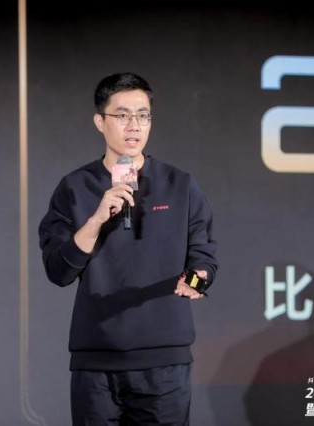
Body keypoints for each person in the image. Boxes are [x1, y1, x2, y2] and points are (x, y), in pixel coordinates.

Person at [38, 72, 218, 425]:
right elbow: (58, 270)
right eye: (122, 115)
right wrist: (95, 220)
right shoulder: (75, 187)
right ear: (99, 122)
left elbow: (204, 258)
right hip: (96, 363)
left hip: (164, 364)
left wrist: (196, 282)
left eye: (142, 115)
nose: (134, 125)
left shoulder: (179, 184)